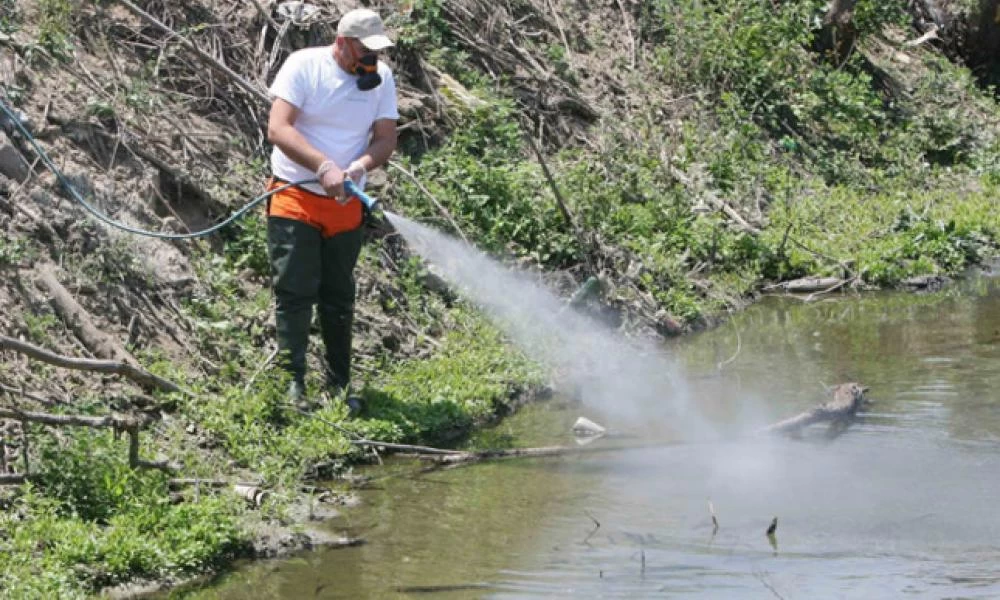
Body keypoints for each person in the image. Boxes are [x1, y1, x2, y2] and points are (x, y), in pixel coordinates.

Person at [265, 8, 399, 406]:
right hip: (295, 194)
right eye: (365, 50)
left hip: (345, 204)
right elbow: (278, 127)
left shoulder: (381, 79)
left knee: (339, 295)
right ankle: (293, 383)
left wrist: (359, 166)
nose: (372, 58)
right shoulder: (304, 66)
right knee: (295, 290)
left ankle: (339, 384)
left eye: (377, 50)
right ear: (342, 42)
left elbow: (385, 139)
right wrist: (322, 166)